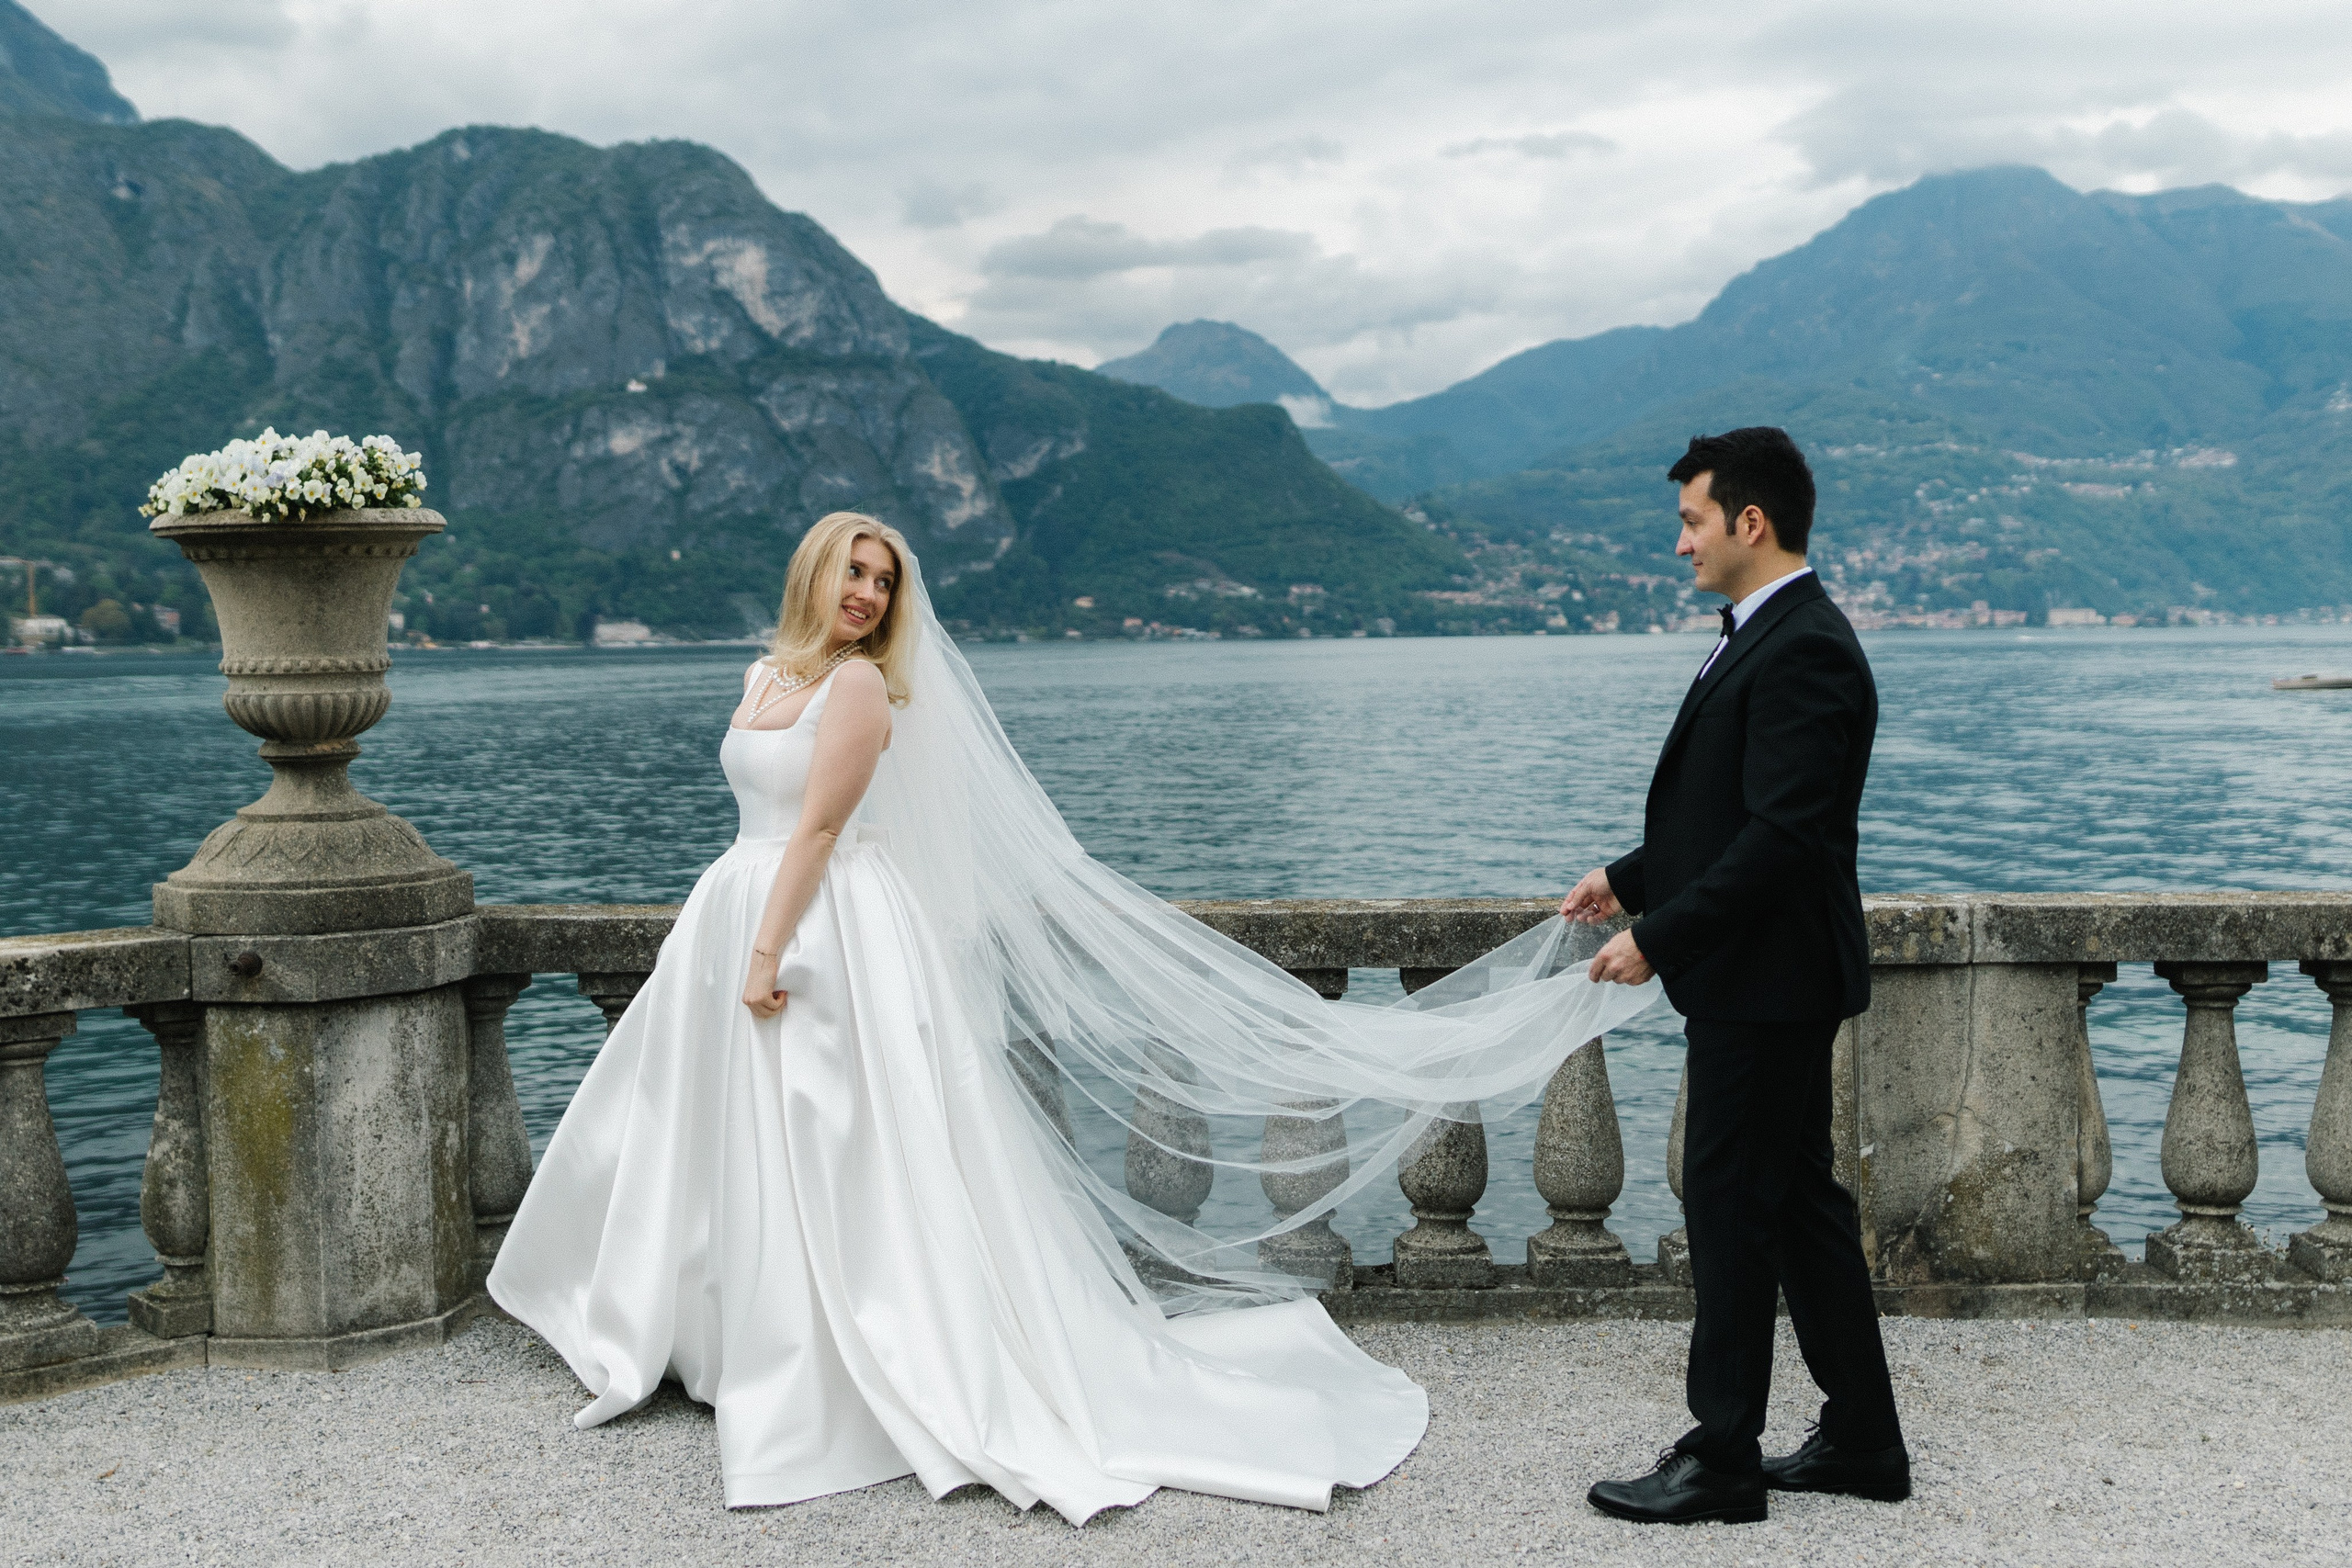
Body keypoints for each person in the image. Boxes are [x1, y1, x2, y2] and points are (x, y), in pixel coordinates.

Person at [490, 511, 1661, 1523]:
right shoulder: (765, 675)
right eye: (852, 573)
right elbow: (765, 821)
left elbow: (818, 835)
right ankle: (739, 1335)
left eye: (882, 581)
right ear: (811, 576)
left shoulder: (857, 691)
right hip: (741, 906)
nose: (865, 595)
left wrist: (763, 954)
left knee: (842, 1138)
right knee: (745, 1138)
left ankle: (848, 1356)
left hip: (822, 931)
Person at [1566, 428, 1908, 1526]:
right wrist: (1625, 879)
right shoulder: (1764, 634)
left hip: (1765, 983)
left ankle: (1720, 1459)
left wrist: (1662, 937)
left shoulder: (1804, 644)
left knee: (1727, 1209)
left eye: (1691, 522)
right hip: (1768, 976)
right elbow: (1724, 813)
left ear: (1747, 523)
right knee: (1800, 1204)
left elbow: (1782, 840)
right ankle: (1861, 1439)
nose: (1680, 546)